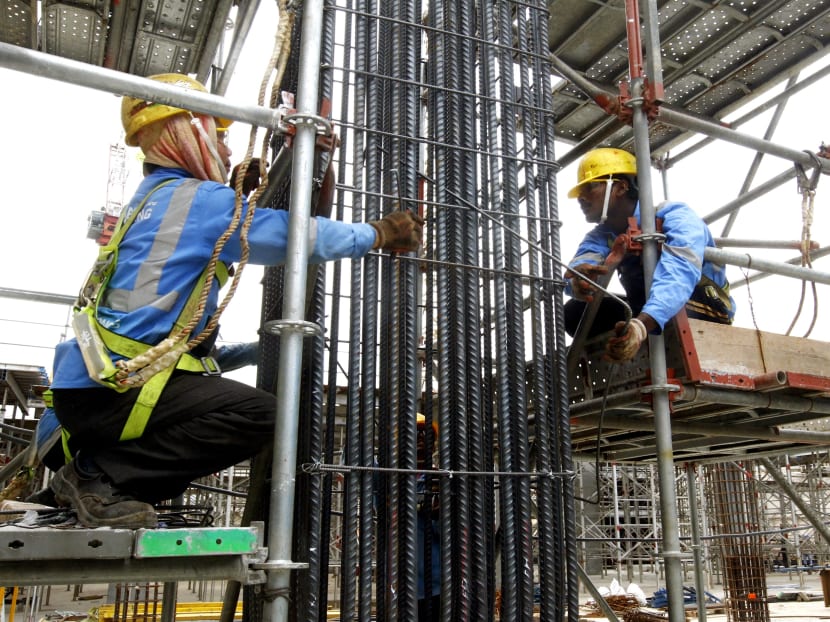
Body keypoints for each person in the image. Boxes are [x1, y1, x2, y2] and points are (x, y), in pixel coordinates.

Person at [46, 73, 424, 529]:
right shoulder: (199, 202)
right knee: (260, 415)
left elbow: (163, 333)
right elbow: (296, 235)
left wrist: (252, 351)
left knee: (225, 409)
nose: (227, 150)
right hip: (111, 393)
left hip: (89, 389)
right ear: (187, 134)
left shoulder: (155, 197)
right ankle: (96, 478)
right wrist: (378, 233)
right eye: (218, 135)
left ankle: (97, 478)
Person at [564, 147, 734, 361]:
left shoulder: (675, 216)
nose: (581, 197)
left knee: (669, 289)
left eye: (590, 187)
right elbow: (579, 266)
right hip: (648, 305)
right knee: (573, 313)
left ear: (620, 187)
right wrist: (580, 283)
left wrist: (640, 326)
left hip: (702, 308)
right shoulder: (600, 236)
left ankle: (645, 327)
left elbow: (679, 274)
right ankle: (625, 338)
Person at [416, 414, 441, 621]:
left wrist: (439, 515)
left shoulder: (441, 479)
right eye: (414, 433)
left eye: (426, 434)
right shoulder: (387, 478)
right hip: (398, 582)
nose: (421, 438)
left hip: (435, 585)